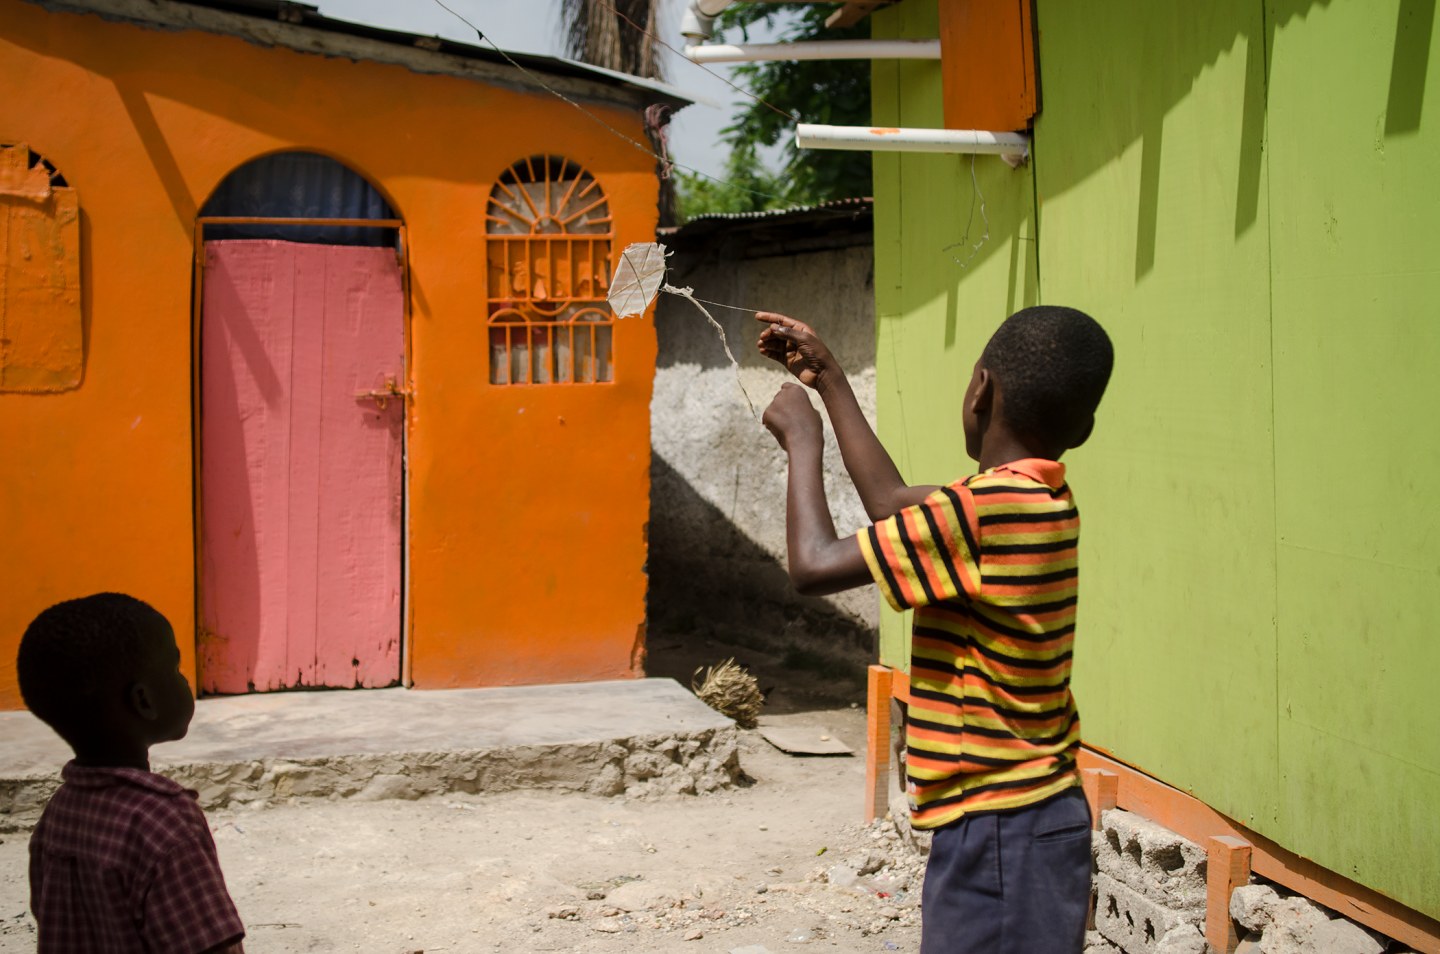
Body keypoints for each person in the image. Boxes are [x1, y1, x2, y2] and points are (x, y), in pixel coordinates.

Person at [756, 306, 1113, 954]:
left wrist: (802, 443)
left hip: (1003, 829)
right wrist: (829, 377)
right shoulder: (1030, 501)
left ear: (979, 389)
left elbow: (812, 565)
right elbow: (889, 502)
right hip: (1027, 820)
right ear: (1083, 428)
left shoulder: (984, 514)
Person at [17, 593, 246, 953]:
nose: (183, 681)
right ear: (144, 701)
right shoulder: (164, 822)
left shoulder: (58, 814)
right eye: (174, 668)